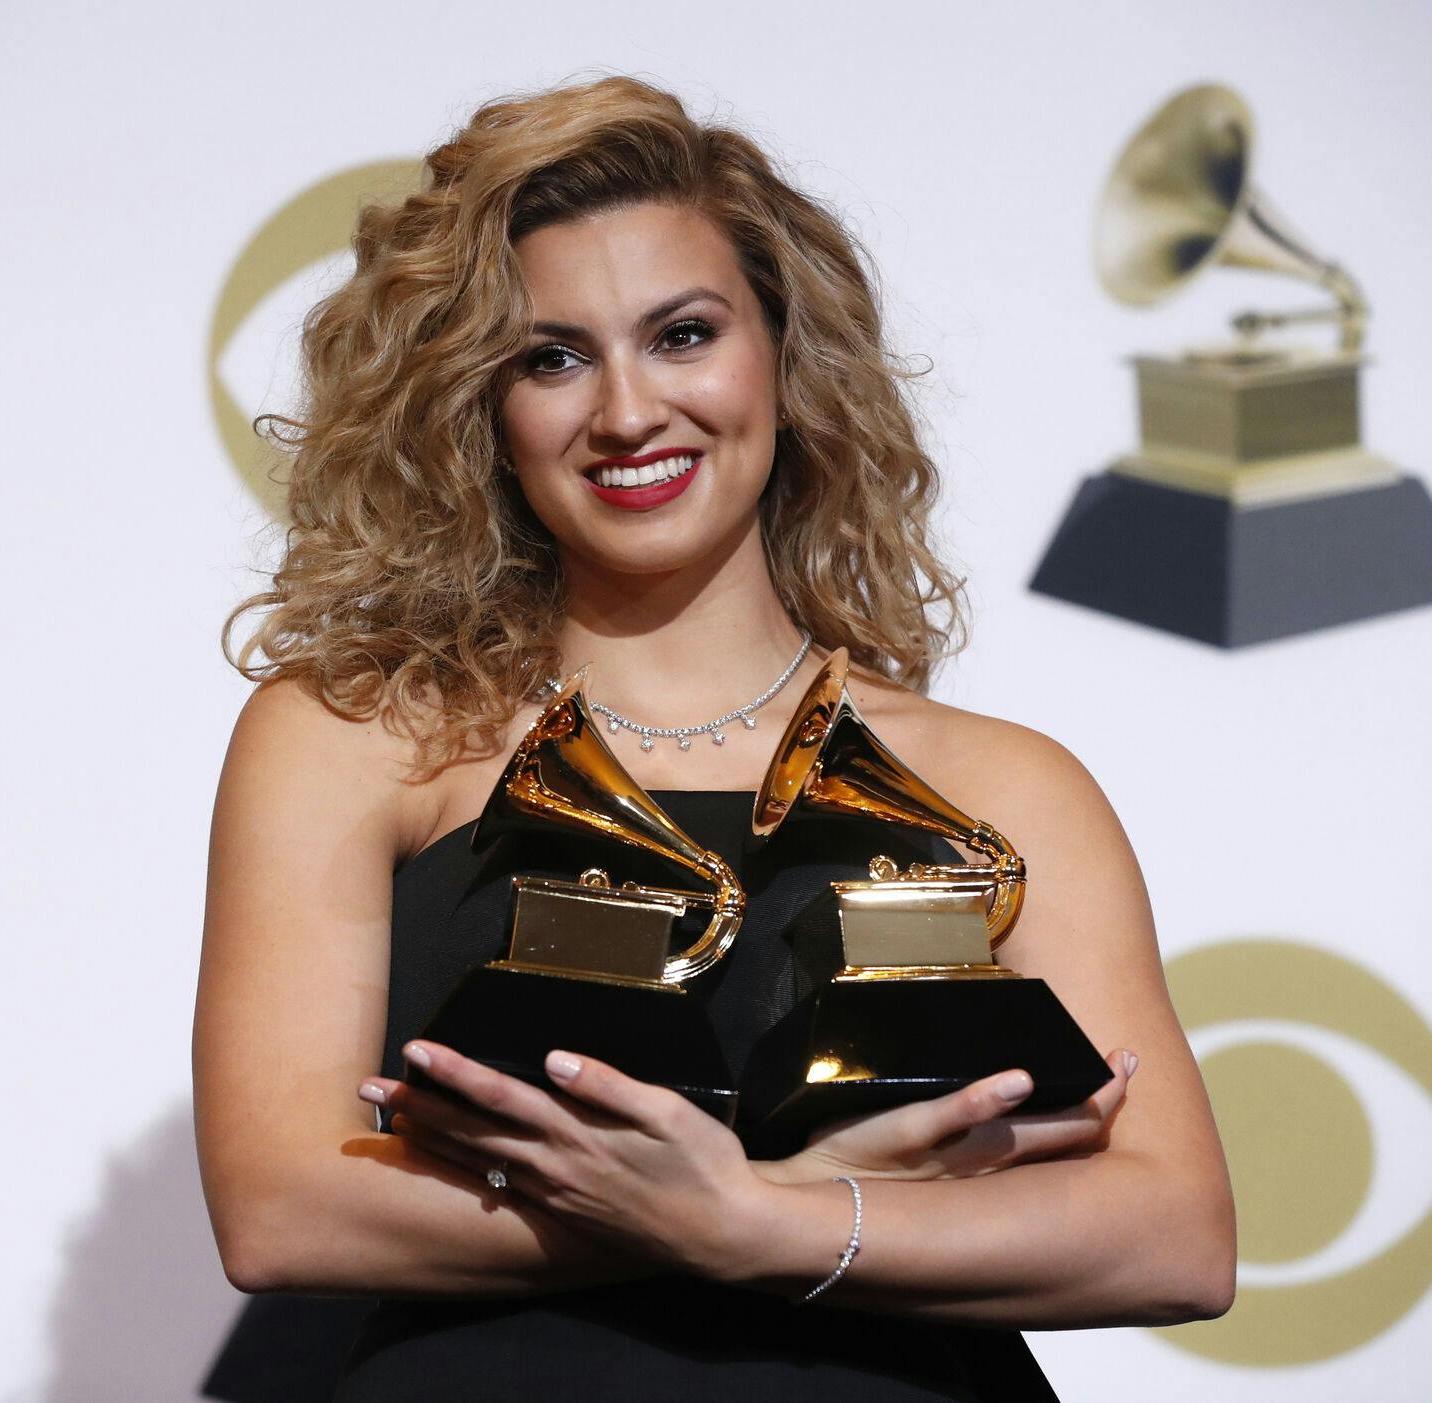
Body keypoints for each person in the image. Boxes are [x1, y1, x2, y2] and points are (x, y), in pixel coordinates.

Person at [193, 75, 1234, 1402]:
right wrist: (734, 1211)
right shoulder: (358, 736)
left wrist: (757, 1221)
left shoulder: (1001, 780)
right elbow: (285, 1207)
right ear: (483, 413)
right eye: (552, 357)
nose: (625, 412)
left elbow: (1175, 1234)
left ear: (785, 362)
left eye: (682, 335)